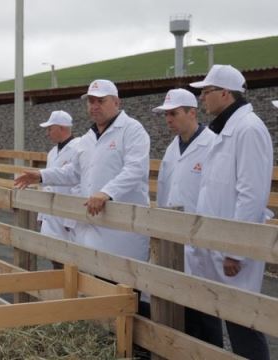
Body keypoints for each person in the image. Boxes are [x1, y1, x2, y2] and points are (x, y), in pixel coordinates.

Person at [15, 79, 150, 263]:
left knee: (123, 285)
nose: (94, 106)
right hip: (92, 228)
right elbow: (74, 172)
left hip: (122, 233)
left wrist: (107, 193)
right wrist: (41, 176)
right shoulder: (88, 138)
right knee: (91, 284)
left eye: (100, 101)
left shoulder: (132, 130)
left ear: (117, 102)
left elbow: (135, 169)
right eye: (91, 101)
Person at [190, 64, 272, 360]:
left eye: (206, 92)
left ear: (225, 93)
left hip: (233, 251)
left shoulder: (249, 130)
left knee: (243, 322)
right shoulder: (228, 130)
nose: (202, 99)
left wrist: (236, 250)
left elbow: (252, 194)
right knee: (226, 314)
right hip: (219, 243)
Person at [153, 88, 221, 346]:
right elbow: (165, 190)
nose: (168, 119)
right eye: (166, 115)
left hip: (202, 242)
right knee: (182, 312)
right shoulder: (172, 148)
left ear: (192, 112)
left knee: (206, 313)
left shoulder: (213, 144)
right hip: (174, 241)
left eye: (173, 113)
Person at [36, 110, 82, 269]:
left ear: (61, 128)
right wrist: (41, 215)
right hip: (51, 215)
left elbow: (79, 184)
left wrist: (71, 219)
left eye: (50, 129)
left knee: (70, 262)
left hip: (67, 217)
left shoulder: (79, 148)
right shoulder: (52, 153)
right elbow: (47, 185)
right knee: (54, 256)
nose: (47, 133)